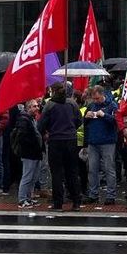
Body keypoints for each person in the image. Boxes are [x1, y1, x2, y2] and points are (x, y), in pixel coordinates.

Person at [39, 82, 83, 211]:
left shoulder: (50, 105)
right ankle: (76, 202)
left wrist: (47, 132)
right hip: (71, 139)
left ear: (53, 91)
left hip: (55, 140)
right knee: (72, 172)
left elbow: (41, 125)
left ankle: (58, 203)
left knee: (57, 173)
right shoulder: (72, 104)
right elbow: (79, 120)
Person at [83, 85, 118, 205]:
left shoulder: (112, 105)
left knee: (109, 169)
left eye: (97, 98)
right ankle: (93, 195)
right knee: (92, 169)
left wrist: (104, 115)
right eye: (94, 98)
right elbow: (85, 124)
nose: (96, 101)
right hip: (93, 142)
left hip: (108, 142)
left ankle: (111, 195)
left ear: (103, 95)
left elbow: (115, 121)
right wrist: (86, 117)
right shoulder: (91, 106)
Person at [13, 99, 44, 208]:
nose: (37, 108)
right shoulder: (23, 120)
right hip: (29, 153)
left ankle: (29, 198)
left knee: (33, 177)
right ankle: (22, 199)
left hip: (35, 152)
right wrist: (32, 143)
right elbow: (23, 137)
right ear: (29, 108)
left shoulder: (31, 119)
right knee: (27, 176)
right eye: (35, 106)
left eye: (37, 106)